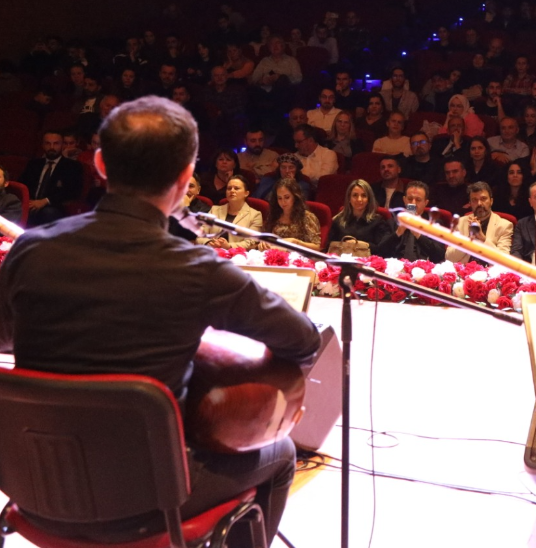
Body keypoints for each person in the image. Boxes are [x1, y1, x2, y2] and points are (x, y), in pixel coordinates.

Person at [0, 98, 321, 547]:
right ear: (187, 177)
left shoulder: (31, 249)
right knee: (282, 453)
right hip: (146, 502)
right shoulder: (198, 270)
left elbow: (5, 338)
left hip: (33, 485)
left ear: (99, 164)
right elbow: (304, 341)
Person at [19, 130, 84, 226]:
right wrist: (28, 200)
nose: (52, 147)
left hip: (55, 205)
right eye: (48, 143)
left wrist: (45, 201)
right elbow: (22, 183)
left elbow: (71, 191)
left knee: (48, 213)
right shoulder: (34, 164)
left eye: (56, 143)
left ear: (62, 145)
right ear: (43, 145)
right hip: (31, 203)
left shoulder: (72, 166)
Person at [445, 181, 514, 263]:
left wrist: (482, 238)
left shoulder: (504, 226)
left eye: (483, 199)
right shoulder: (460, 223)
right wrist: (468, 240)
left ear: (491, 201)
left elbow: (504, 261)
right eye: (474, 200)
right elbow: (449, 257)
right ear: (470, 203)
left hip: (490, 270)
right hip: (464, 269)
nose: (479, 203)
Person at [379, 181, 446, 262]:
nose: (413, 203)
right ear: (404, 200)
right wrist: (398, 233)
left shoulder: (434, 224)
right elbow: (380, 251)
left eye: (418, 200)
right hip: (396, 265)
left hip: (423, 267)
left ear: (426, 202)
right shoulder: (393, 221)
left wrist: (418, 235)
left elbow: (439, 255)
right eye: (410, 199)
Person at [326, 179, 392, 254]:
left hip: (368, 260)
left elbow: (383, 249)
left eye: (364, 196)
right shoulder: (338, 220)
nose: (359, 199)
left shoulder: (378, 222)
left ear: (368, 199)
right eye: (355, 195)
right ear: (349, 198)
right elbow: (329, 247)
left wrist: (363, 245)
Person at [196, 175, 263, 250]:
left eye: (236, 188)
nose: (232, 191)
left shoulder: (255, 215)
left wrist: (229, 246)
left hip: (238, 254)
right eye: (229, 188)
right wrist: (209, 242)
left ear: (246, 193)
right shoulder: (214, 210)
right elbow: (200, 235)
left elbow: (251, 242)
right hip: (212, 252)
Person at [258, 178, 321, 250]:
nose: (283, 202)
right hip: (274, 253)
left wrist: (296, 242)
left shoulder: (307, 216)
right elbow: (264, 237)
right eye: (279, 198)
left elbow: (316, 247)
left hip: (297, 255)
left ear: (295, 196)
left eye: (287, 197)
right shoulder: (274, 214)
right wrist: (263, 243)